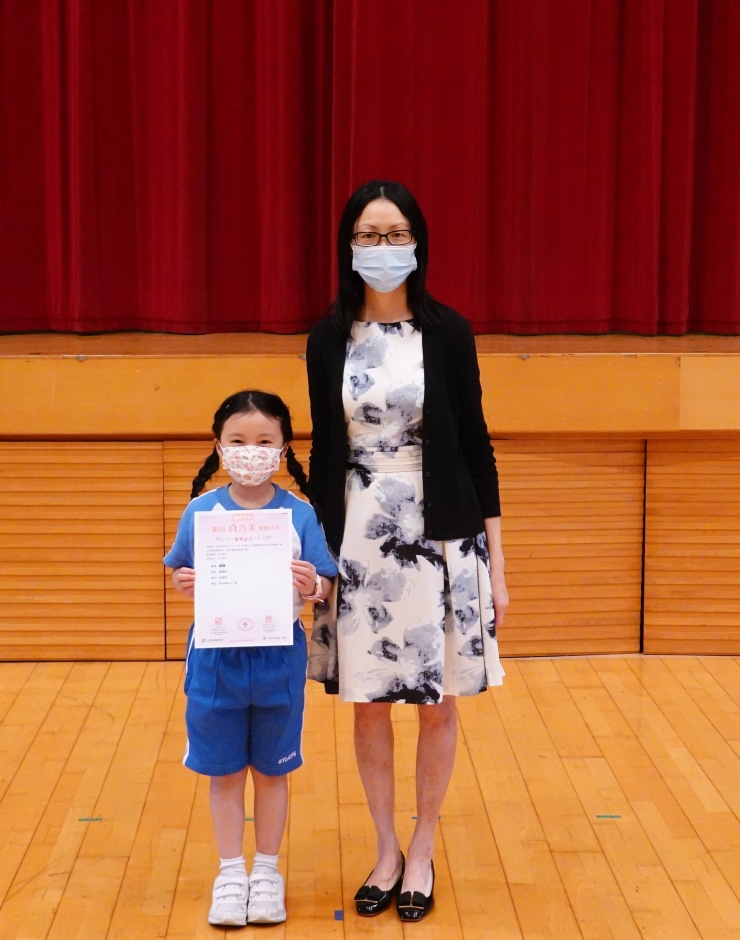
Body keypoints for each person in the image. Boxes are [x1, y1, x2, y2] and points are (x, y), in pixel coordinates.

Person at [304, 180, 508, 922]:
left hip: (441, 534)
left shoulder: (448, 332)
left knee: (437, 705)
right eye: (369, 234)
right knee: (367, 706)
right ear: (348, 246)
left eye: (395, 235)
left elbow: (477, 446)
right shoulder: (327, 337)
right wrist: (318, 555)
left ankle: (423, 847)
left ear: (417, 243)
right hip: (359, 537)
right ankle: (386, 848)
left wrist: (497, 566)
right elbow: (325, 450)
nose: (382, 247)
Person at [164, 390, 339, 928]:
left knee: (270, 769)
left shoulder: (300, 514)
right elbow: (178, 571)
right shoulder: (201, 511)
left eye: (264, 441)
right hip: (215, 660)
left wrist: (314, 585)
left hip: (278, 657)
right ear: (219, 447)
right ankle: (229, 872)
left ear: (283, 449)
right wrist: (184, 582)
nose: (251, 451)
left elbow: (327, 582)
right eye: (238, 440)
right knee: (223, 772)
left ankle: (266, 871)